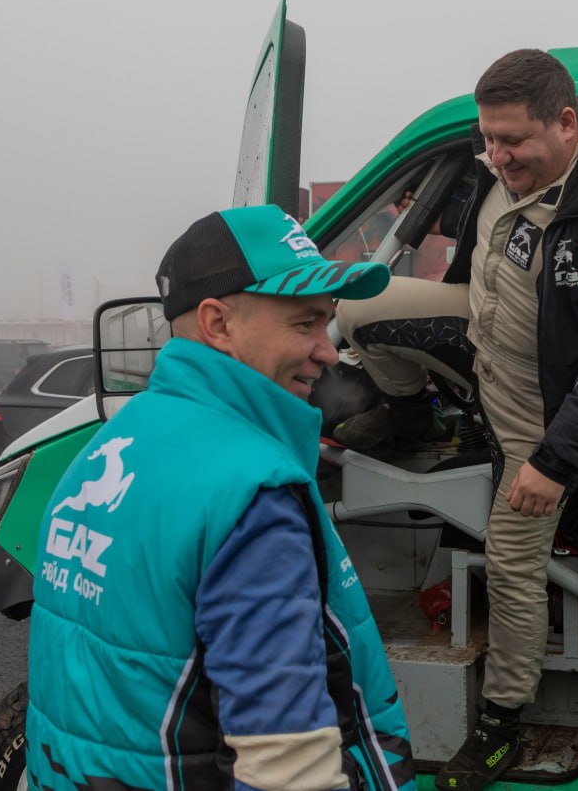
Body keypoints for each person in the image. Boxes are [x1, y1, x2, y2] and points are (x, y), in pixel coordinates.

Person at [333, 48, 578, 789]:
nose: (495, 155)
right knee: (358, 301)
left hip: (537, 403)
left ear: (566, 122)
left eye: (512, 141)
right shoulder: (502, 163)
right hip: (479, 341)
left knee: (513, 561)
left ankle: (501, 724)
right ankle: (408, 412)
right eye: (487, 139)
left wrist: (555, 461)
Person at [25, 205, 417, 791]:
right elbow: (288, 770)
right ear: (218, 324)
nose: (329, 350)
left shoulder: (107, 447)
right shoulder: (250, 491)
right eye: (305, 323)